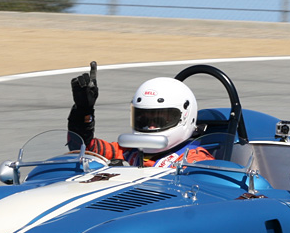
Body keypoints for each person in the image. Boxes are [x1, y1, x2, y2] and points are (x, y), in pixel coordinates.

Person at [67, 62, 213, 168]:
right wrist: (83, 111)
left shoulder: (195, 159)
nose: (150, 125)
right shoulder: (128, 152)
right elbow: (81, 148)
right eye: (143, 118)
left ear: (185, 117)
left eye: (160, 119)